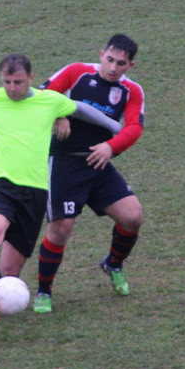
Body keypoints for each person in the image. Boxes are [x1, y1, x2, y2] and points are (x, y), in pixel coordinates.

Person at [0, 53, 122, 310]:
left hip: (34, 193)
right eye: (6, 82)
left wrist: (116, 128)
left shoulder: (49, 101)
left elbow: (81, 109)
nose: (11, 88)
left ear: (31, 78)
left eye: (17, 82)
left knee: (10, 270)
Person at [33, 34, 145, 313]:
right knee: (60, 230)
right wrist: (59, 115)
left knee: (132, 217)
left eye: (121, 64)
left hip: (98, 163)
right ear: (101, 54)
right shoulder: (76, 72)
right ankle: (44, 291)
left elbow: (134, 128)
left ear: (130, 66)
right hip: (64, 162)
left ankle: (113, 264)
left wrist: (110, 147)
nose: (113, 68)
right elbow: (42, 95)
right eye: (110, 60)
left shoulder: (132, 91)